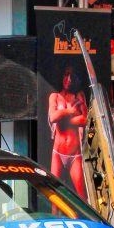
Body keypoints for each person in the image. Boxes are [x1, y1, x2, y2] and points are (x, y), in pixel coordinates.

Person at [48, 68, 88, 199]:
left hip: (74, 154)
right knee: (54, 195)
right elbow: (53, 117)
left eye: (72, 76)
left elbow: (85, 119)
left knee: (82, 196)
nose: (69, 79)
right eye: (66, 75)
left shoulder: (79, 96)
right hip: (58, 153)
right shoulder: (55, 96)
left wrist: (63, 119)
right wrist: (70, 111)